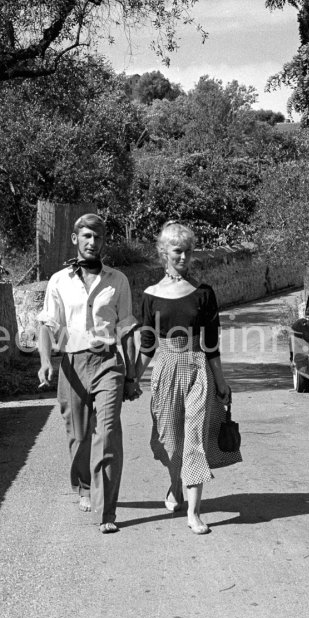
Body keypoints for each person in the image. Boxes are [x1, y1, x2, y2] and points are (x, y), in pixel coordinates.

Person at [37, 213, 140, 534]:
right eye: (86, 236)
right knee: (79, 435)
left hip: (109, 363)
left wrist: (132, 374)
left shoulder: (117, 280)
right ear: (75, 239)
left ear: (103, 240)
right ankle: (84, 484)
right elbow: (47, 324)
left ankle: (106, 510)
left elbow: (125, 329)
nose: (92, 242)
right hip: (71, 364)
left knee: (108, 433)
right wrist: (45, 361)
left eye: (97, 237)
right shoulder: (59, 281)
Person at [135, 220, 231, 535]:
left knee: (194, 440)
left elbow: (212, 344)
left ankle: (194, 512)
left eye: (188, 251)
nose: (184, 257)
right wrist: (133, 378)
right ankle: (175, 483)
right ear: (164, 253)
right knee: (171, 440)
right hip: (165, 369)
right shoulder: (150, 295)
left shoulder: (203, 294)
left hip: (197, 368)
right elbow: (147, 345)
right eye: (178, 251)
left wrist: (220, 381)